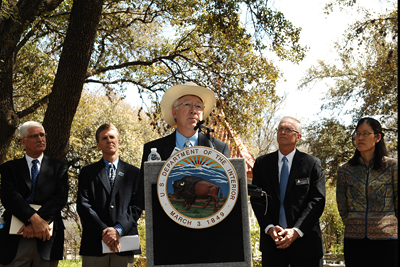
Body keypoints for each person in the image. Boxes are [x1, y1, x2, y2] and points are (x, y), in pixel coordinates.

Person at [250, 116, 326, 267]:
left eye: (288, 130)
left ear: (298, 137)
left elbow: (317, 201)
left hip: (306, 244)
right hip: (273, 242)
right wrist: (269, 227)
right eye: (280, 129)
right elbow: (257, 199)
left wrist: (296, 231)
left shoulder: (312, 164)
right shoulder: (262, 164)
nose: (282, 132)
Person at [0, 121, 69, 267]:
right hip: (15, 238)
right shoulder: (9, 168)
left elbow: (60, 198)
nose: (40, 139)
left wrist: (35, 225)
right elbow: (10, 197)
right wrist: (34, 219)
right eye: (34, 136)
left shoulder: (59, 167)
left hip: (47, 239)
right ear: (23, 141)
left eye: (42, 135)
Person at [77, 123, 143, 267]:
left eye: (112, 137)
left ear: (119, 141)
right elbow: (83, 205)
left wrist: (118, 230)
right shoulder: (87, 173)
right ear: (98, 144)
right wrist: (105, 232)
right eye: (104, 138)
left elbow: (137, 206)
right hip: (95, 245)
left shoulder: (134, 173)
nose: (109, 140)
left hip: (124, 244)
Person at [336, 117, 398, 267]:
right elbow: (342, 204)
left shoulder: (392, 166)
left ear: (377, 138)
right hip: (354, 239)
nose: (360, 138)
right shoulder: (344, 169)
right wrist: (352, 223)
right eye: (357, 134)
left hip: (388, 239)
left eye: (365, 134)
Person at [140, 81, 230, 168]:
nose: (193, 110)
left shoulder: (219, 149)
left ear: (202, 114)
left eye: (198, 106)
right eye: (187, 104)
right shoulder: (153, 150)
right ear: (174, 112)